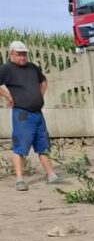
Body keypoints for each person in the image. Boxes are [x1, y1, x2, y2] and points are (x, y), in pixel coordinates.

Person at [0, 41, 58, 191]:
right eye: (19, 54)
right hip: (22, 114)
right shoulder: (6, 69)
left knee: (43, 145)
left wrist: (39, 95)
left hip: (37, 113)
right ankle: (20, 180)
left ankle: (51, 174)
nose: (23, 57)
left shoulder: (32, 67)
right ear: (11, 54)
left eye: (24, 54)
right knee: (20, 146)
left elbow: (43, 81)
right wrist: (7, 95)